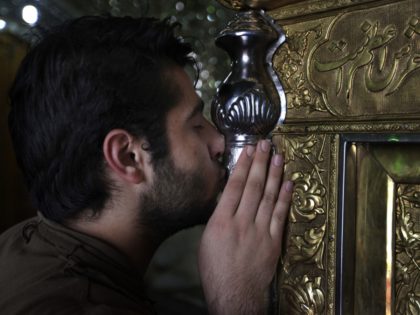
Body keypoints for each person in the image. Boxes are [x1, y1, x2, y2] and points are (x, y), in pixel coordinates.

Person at [0, 15, 293, 315]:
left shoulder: (23, 248)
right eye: (195, 125)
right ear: (128, 157)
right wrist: (236, 302)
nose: (220, 142)